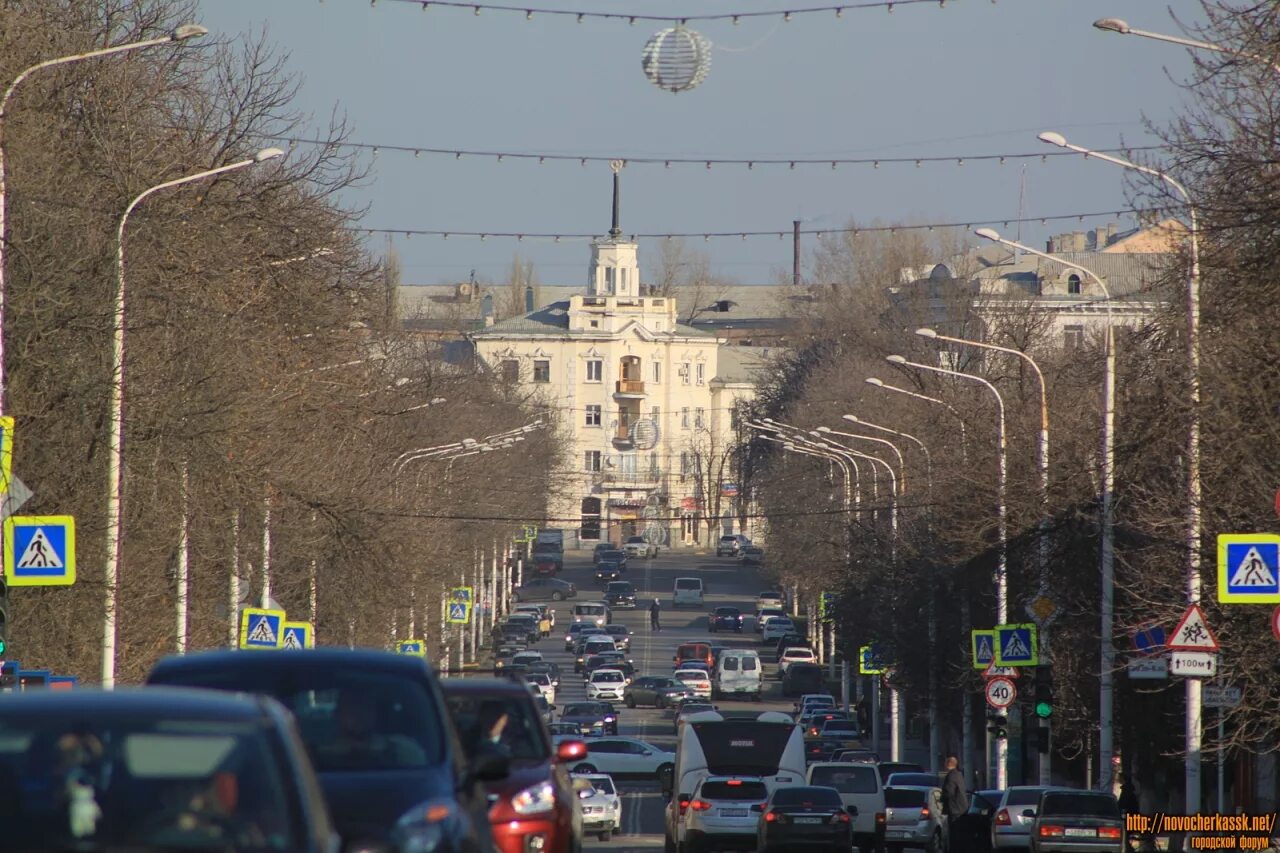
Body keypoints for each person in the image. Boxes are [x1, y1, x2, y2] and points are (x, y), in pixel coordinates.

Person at [941, 754, 968, 835]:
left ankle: (953, 847)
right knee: (959, 832)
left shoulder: (951, 776)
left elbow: (949, 792)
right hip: (961, 809)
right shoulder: (959, 775)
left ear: (948, 764)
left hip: (954, 809)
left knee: (954, 833)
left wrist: (942, 798)